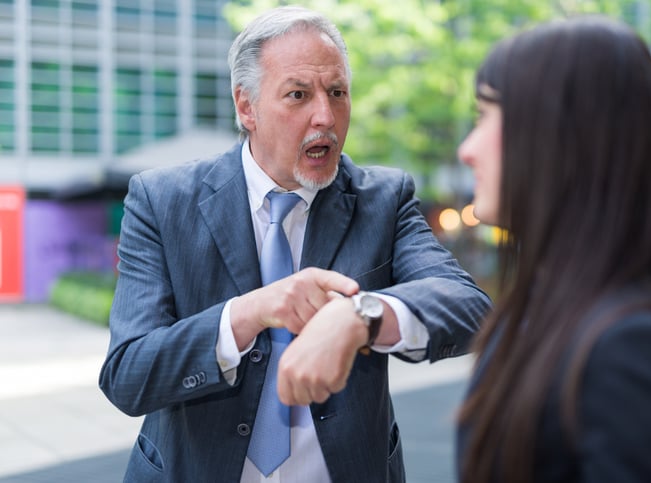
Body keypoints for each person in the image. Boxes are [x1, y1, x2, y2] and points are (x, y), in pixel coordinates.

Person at [99, 6, 490, 483]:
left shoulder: (383, 200)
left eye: (338, 92)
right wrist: (246, 314)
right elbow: (128, 375)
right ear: (247, 107)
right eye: (298, 95)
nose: (324, 116)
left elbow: (470, 308)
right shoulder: (162, 200)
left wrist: (360, 315)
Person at [455, 16, 651, 483]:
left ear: (561, 137)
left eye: (486, 115)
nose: (467, 149)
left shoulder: (636, 350)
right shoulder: (540, 310)